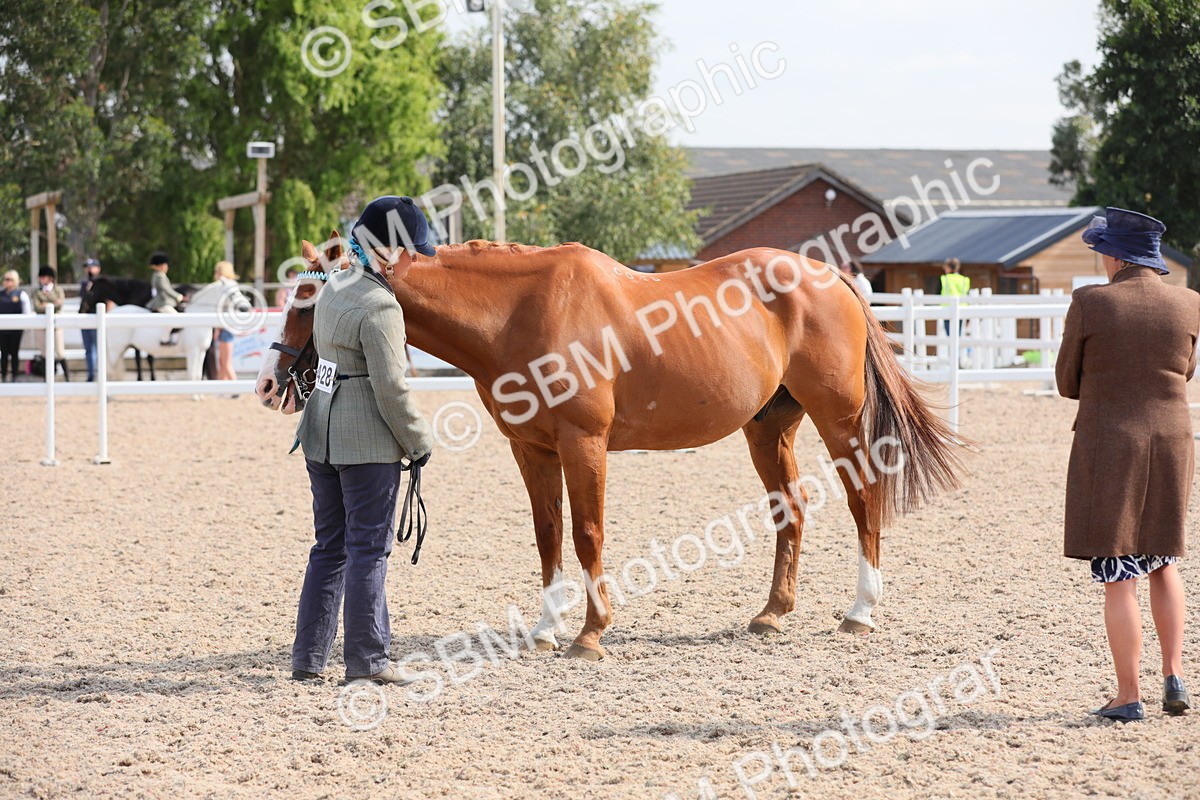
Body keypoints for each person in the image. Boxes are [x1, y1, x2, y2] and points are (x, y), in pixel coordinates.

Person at [1056, 207, 1197, 723]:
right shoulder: (1189, 303)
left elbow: (1067, 381)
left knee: (1120, 573)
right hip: (1173, 442)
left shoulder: (1091, 304)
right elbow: (1185, 372)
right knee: (1164, 561)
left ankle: (1128, 694)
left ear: (1114, 256)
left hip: (1112, 445)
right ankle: (1174, 677)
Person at [291, 195, 436, 684]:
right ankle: (368, 662)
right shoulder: (380, 306)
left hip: (320, 433)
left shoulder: (332, 286)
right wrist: (418, 442)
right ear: (387, 251)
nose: (413, 259)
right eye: (409, 250)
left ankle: (308, 659)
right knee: (368, 550)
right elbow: (391, 389)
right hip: (365, 445)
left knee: (328, 547)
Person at [33, 266, 68, 380]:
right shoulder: (37, 291)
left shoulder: (57, 289)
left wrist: (47, 302)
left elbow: (60, 303)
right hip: (42, 325)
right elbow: (37, 307)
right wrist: (52, 303)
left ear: (50, 278)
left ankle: (67, 376)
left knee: (59, 351)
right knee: (44, 351)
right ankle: (46, 376)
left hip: (56, 324)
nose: (41, 279)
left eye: (44, 277)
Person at [0, 270, 32, 381]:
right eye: (5, 279)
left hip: (16, 330)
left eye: (9, 279)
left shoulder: (21, 294)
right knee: (3, 354)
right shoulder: (1, 294)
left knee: (14, 353)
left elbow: (26, 312)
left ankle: (15, 376)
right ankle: (3, 375)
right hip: (2, 330)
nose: (6, 281)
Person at [146, 252, 183, 345]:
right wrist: (178, 296)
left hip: (164, 301)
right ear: (160, 265)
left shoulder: (159, 275)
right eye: (165, 264)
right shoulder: (159, 276)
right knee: (175, 318)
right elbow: (166, 289)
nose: (167, 267)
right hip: (162, 302)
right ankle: (164, 339)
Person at [213, 260, 240, 382]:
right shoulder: (229, 285)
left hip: (226, 327)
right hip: (225, 326)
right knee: (222, 361)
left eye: (219, 271)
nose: (217, 273)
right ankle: (222, 388)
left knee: (226, 361)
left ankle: (235, 389)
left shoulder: (228, 285)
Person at [79, 258, 101, 381]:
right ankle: (91, 374)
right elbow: (83, 299)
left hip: (96, 317)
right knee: (88, 349)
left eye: (91, 267)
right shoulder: (84, 283)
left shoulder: (102, 283)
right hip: (85, 317)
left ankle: (99, 372)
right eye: (87, 267)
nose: (89, 269)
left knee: (98, 348)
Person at [939, 257, 969, 335]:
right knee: (957, 334)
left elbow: (938, 293)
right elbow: (967, 295)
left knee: (950, 336)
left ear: (949, 268)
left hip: (947, 309)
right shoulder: (964, 279)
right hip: (961, 310)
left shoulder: (945, 279)